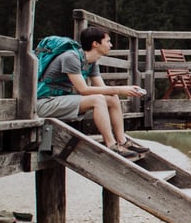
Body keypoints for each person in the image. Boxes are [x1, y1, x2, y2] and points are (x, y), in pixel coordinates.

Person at [35, 26, 148, 159]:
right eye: (108, 41)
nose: (111, 45)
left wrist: (122, 91)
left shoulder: (91, 62)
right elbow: (84, 90)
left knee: (112, 98)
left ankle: (123, 142)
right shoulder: (71, 57)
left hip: (59, 101)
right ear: (96, 44)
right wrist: (120, 89)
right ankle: (112, 146)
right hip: (43, 103)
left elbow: (104, 89)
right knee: (98, 100)